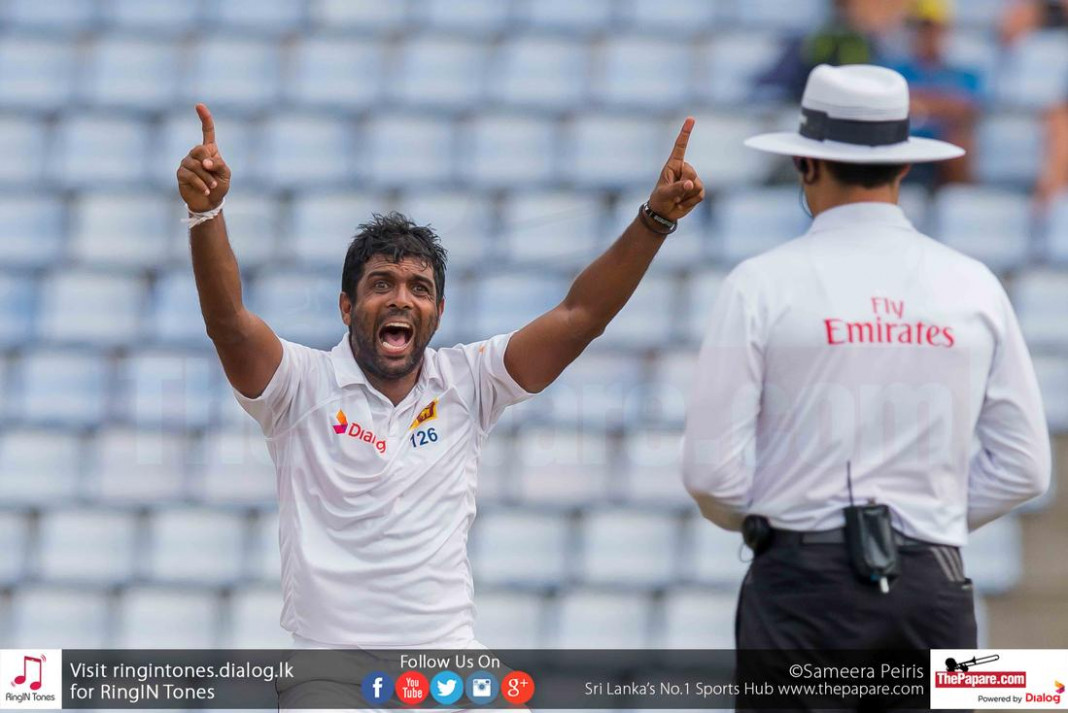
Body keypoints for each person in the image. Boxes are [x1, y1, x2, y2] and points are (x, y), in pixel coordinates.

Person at [175, 104, 704, 674]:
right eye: (382, 284)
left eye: (419, 288)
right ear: (347, 307)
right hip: (330, 667)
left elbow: (580, 316)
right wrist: (207, 216)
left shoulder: (469, 381)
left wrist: (654, 220)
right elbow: (228, 324)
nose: (402, 299)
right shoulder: (299, 384)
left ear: (440, 312)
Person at [682, 64, 1049, 669]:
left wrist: (779, 521)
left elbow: (708, 475)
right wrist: (927, 522)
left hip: (801, 586)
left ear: (807, 162)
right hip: (932, 584)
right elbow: (1024, 469)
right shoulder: (973, 286)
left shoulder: (760, 284)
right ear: (904, 163)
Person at [889, 0, 981, 186]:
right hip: (904, 147)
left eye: (933, 29)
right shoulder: (895, 68)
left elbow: (966, 109)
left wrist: (918, 104)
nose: (927, 35)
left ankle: (957, 199)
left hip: (942, 154)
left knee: (960, 138)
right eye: (921, 28)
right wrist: (940, 105)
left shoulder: (964, 71)